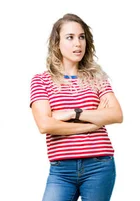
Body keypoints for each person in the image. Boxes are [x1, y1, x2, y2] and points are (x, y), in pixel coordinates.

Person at [30, 13, 123, 201]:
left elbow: (116, 114)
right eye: (70, 37)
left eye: (81, 37)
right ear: (57, 43)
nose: (78, 44)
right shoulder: (41, 81)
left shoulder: (97, 78)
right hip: (61, 169)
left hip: (99, 165)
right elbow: (45, 125)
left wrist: (73, 113)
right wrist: (92, 122)